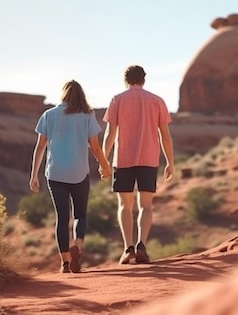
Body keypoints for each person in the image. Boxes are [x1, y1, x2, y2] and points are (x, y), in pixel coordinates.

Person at [29, 80, 112, 273]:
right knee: (80, 215)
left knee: (62, 217)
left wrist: (34, 175)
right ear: (81, 95)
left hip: (55, 173)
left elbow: (40, 147)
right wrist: (105, 166)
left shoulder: (49, 115)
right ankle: (78, 246)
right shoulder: (87, 115)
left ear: (63, 94)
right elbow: (96, 147)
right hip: (79, 172)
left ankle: (65, 262)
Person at [102, 65, 175, 264]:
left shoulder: (117, 99)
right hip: (149, 159)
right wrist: (170, 162)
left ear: (125, 80)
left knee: (125, 206)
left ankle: (128, 248)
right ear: (144, 80)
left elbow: (110, 133)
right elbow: (165, 137)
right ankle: (142, 244)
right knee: (146, 205)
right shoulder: (157, 101)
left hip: (123, 160)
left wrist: (103, 160)